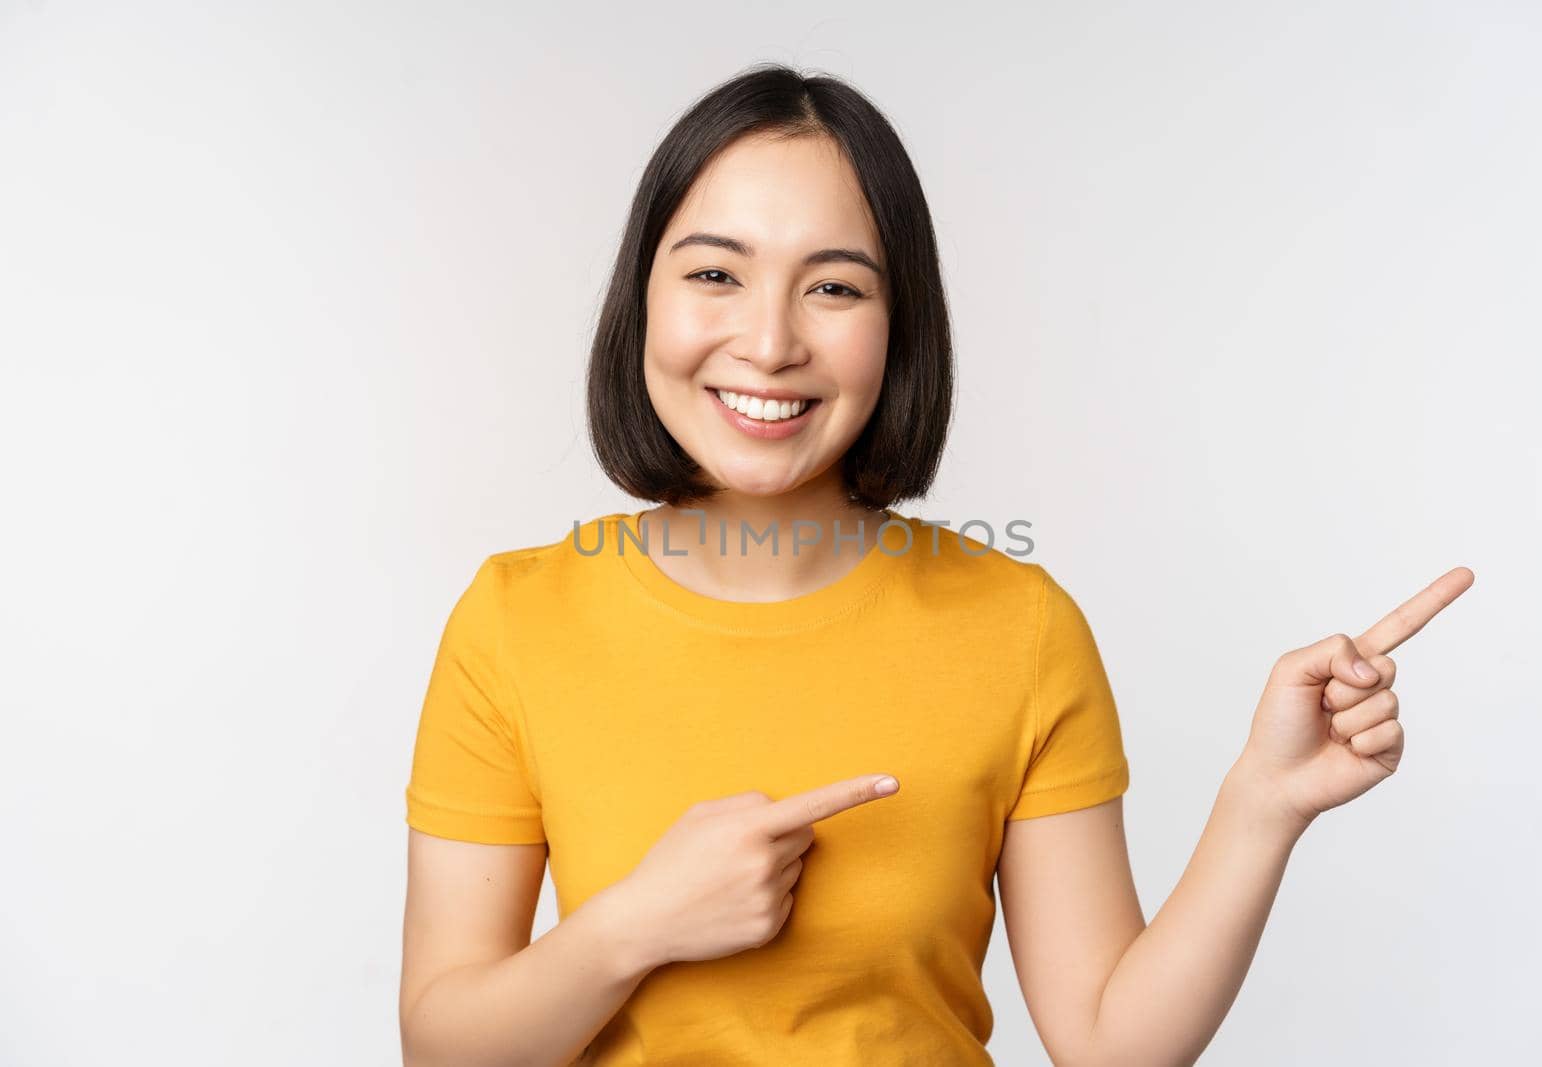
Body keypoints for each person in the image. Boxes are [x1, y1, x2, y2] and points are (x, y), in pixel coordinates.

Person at [397, 63, 1473, 1067]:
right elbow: (441, 1045)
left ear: (898, 327)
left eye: (834, 288)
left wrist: (1264, 802)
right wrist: (633, 925)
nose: (768, 342)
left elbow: (1108, 1043)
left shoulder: (1017, 625)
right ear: (644, 299)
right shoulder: (515, 619)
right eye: (716, 272)